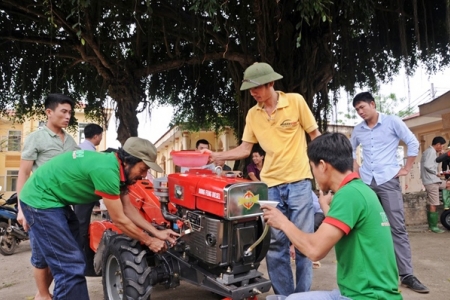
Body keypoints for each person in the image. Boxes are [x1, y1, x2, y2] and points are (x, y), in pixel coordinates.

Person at [205, 62, 321, 295]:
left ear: (271, 83)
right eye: (250, 89)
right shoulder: (252, 114)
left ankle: (302, 296)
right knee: (276, 245)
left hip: (299, 182)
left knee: (303, 244)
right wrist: (216, 155)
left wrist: (323, 174)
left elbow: (315, 136)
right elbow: (245, 149)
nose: (253, 93)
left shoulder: (296, 101)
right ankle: (284, 297)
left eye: (257, 87)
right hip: (270, 187)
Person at [18, 137, 179, 299]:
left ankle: (42, 295)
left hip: (55, 200)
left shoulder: (120, 171)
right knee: (70, 267)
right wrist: (149, 241)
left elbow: (128, 209)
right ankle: (46, 295)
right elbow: (120, 220)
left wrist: (157, 233)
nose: (144, 175)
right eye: (143, 169)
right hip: (40, 199)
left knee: (67, 256)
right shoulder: (107, 171)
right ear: (128, 161)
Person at [262, 132, 402, 300]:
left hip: (368, 296)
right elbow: (338, 228)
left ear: (322, 165)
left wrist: (283, 222)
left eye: (312, 167)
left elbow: (315, 250)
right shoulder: (360, 190)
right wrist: (323, 205)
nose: (313, 174)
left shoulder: (348, 195)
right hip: (365, 293)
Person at [350, 91, 428, 293]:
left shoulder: (392, 122)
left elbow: (413, 143)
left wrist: (407, 168)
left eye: (362, 107)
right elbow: (350, 150)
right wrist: (356, 169)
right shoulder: (358, 130)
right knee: (366, 227)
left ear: (373, 104)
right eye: (357, 109)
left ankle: (407, 275)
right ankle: (370, 272)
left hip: (388, 180)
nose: (360, 112)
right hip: (366, 181)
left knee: (397, 227)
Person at [17, 93, 79, 300]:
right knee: (42, 255)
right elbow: (24, 173)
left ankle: (40, 294)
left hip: (63, 205)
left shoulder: (70, 141)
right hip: (39, 205)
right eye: (64, 111)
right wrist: (21, 209)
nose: (68, 116)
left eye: (70, 112)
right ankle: (43, 295)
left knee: (61, 253)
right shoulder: (36, 138)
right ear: (49, 112)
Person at [74, 123, 104, 275]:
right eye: (101, 136)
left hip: (80, 193)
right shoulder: (89, 153)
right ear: (97, 136)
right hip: (84, 194)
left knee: (83, 226)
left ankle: (87, 264)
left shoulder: (79, 149)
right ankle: (83, 266)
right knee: (81, 228)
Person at [420, 136, 447, 233]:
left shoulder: (429, 152)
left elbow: (432, 164)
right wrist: (436, 173)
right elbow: (428, 165)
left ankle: (446, 203)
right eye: (442, 146)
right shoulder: (431, 152)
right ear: (438, 144)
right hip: (432, 181)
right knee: (434, 203)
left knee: (447, 184)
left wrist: (440, 155)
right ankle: (433, 226)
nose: (442, 148)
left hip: (433, 180)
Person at [436, 142, 450, 210]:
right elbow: (444, 169)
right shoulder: (447, 156)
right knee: (447, 186)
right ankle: (447, 205)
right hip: (448, 176)